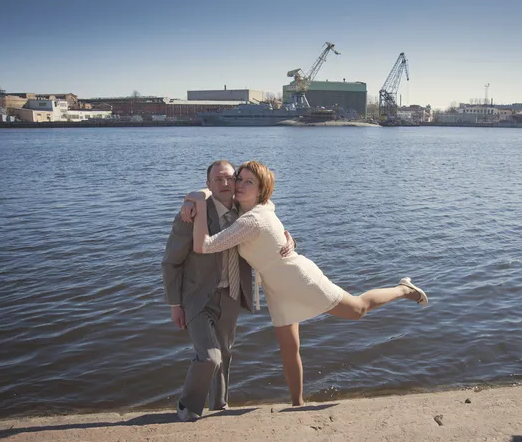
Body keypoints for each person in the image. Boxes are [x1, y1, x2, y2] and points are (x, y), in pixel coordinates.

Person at [183, 160, 429, 407]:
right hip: (275, 288)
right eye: (240, 179)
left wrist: (199, 206)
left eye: (249, 182)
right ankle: (297, 403)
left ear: (260, 190)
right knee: (289, 350)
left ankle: (404, 289)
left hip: (299, 278)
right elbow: (216, 190)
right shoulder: (252, 208)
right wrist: (196, 196)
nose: (239, 185)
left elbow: (203, 246)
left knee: (358, 309)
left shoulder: (252, 220)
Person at [162, 160, 295, 421]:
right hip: (197, 297)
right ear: (209, 184)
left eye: (230, 178)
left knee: (225, 354)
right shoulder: (192, 215)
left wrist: (289, 239)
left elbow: (269, 226)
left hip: (232, 294)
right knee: (209, 357)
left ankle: (219, 405)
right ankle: (187, 406)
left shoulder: (245, 210)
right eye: (218, 180)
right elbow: (171, 261)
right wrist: (174, 304)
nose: (225, 183)